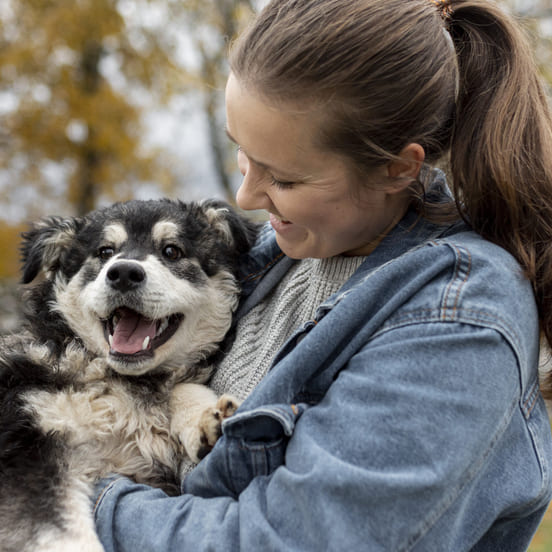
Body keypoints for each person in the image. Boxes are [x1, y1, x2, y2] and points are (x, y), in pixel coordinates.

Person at [93, 0, 552, 549]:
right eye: (243, 153)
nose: (245, 196)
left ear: (397, 168)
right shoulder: (271, 260)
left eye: (283, 180)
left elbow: (287, 541)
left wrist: (72, 499)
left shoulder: (461, 323)